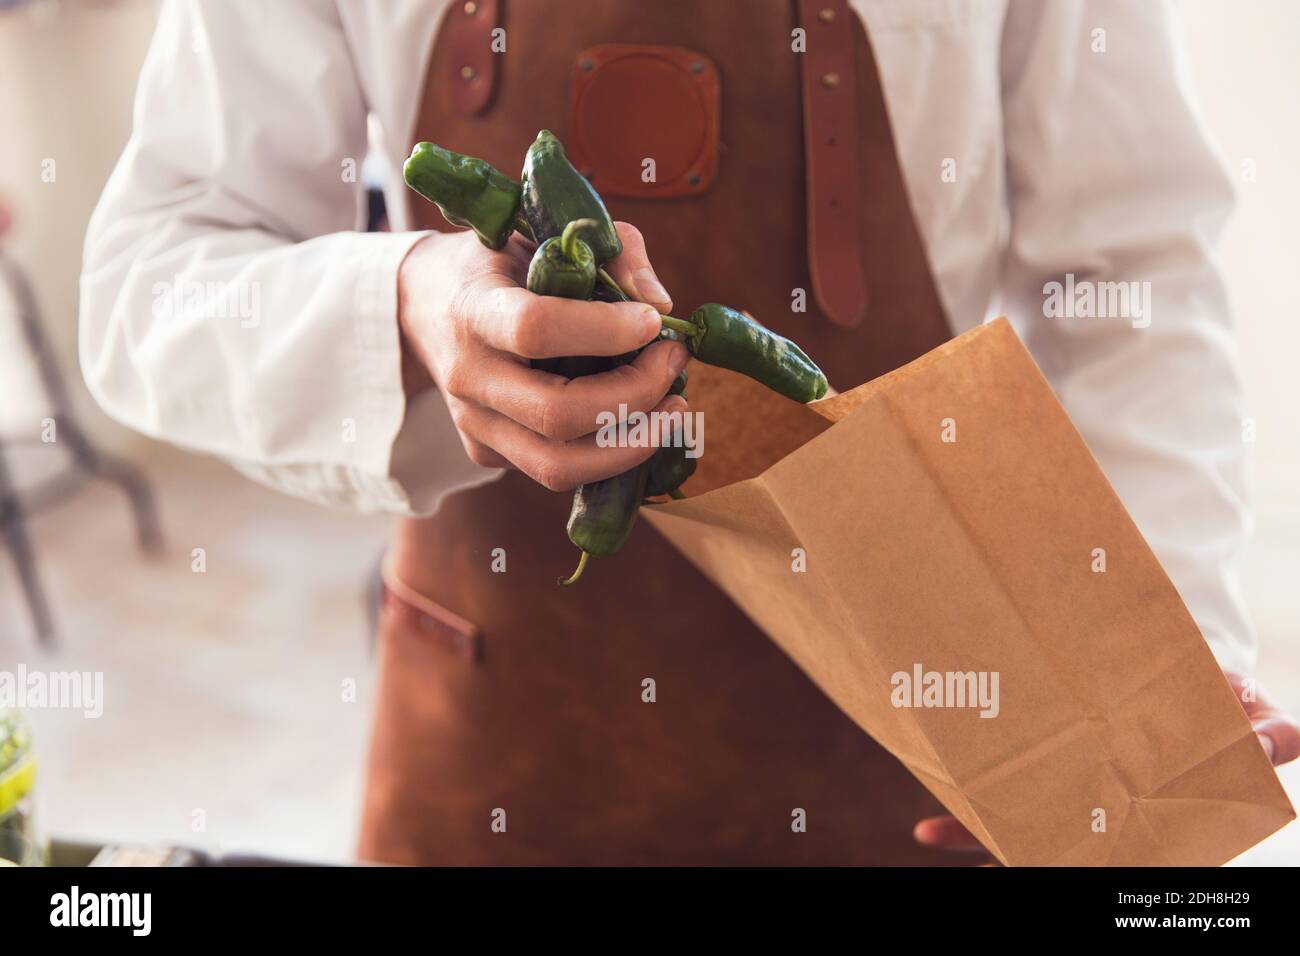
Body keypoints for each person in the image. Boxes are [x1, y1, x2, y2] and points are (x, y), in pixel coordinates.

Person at [80, 0, 1298, 864]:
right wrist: (405, 307)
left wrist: (1144, 655)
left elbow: (1127, 274)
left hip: (931, 726)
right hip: (491, 743)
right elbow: (150, 279)